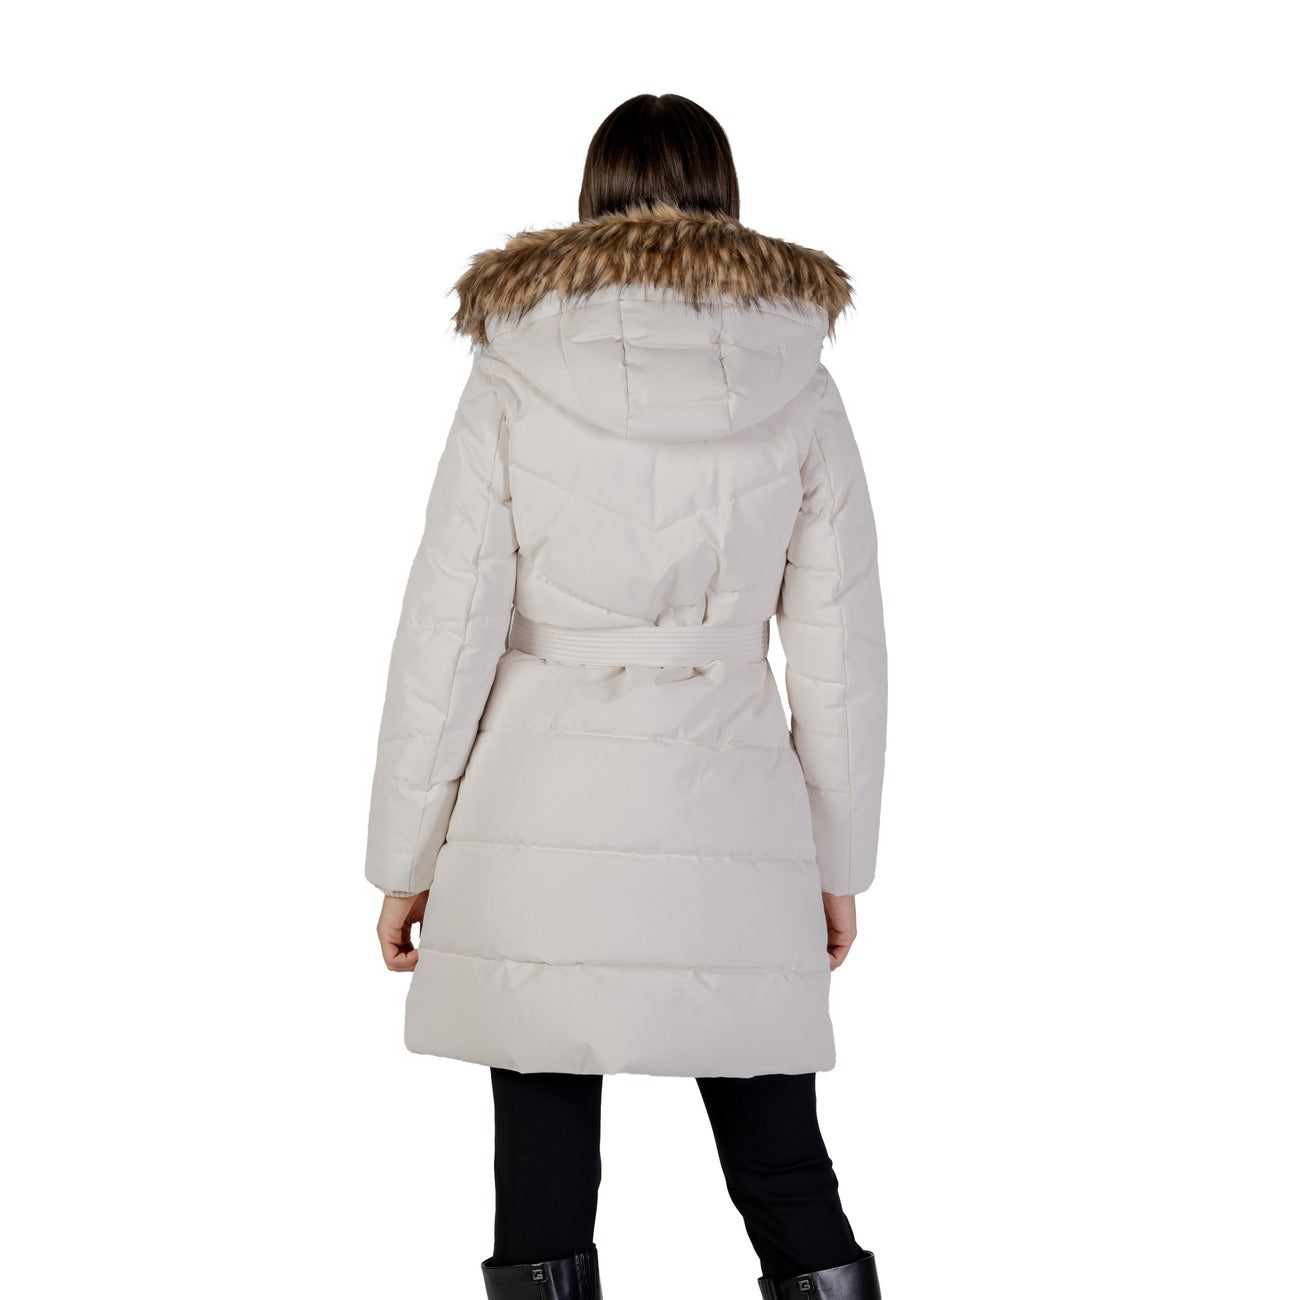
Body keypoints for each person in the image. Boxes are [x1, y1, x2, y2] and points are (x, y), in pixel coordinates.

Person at [363, 93, 888, 1300]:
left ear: (593, 198)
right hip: (732, 803)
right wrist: (837, 863)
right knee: (781, 1159)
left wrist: (405, 858)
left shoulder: (512, 369)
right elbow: (840, 652)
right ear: (725, 198)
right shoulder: (798, 380)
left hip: (536, 804)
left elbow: (447, 630)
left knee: (540, 1166)